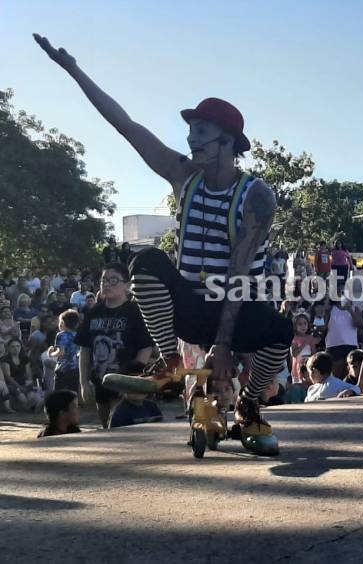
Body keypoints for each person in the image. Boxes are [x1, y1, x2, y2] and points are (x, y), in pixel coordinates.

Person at [35, 35, 293, 451]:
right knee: (149, 261)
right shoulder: (182, 176)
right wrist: (74, 71)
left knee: (280, 330)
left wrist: (223, 347)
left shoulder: (256, 196)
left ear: (227, 141)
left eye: (201, 133)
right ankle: (169, 359)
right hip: (190, 304)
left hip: (240, 303)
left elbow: (239, 274)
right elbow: (127, 127)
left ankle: (247, 405)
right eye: (190, 132)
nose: (191, 141)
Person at [75, 263, 155, 428]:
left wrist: (133, 382)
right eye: (104, 280)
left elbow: (146, 347)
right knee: (107, 427)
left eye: (113, 280)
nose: (107, 284)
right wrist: (83, 383)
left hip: (126, 383)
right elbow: (85, 349)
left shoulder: (136, 312)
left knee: (122, 425)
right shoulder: (93, 312)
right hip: (101, 382)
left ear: (127, 285)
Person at [48, 309, 80, 392]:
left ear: (62, 323)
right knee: (73, 393)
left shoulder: (61, 335)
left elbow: (61, 352)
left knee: (58, 394)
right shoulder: (77, 335)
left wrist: (51, 353)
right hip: (76, 369)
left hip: (63, 369)